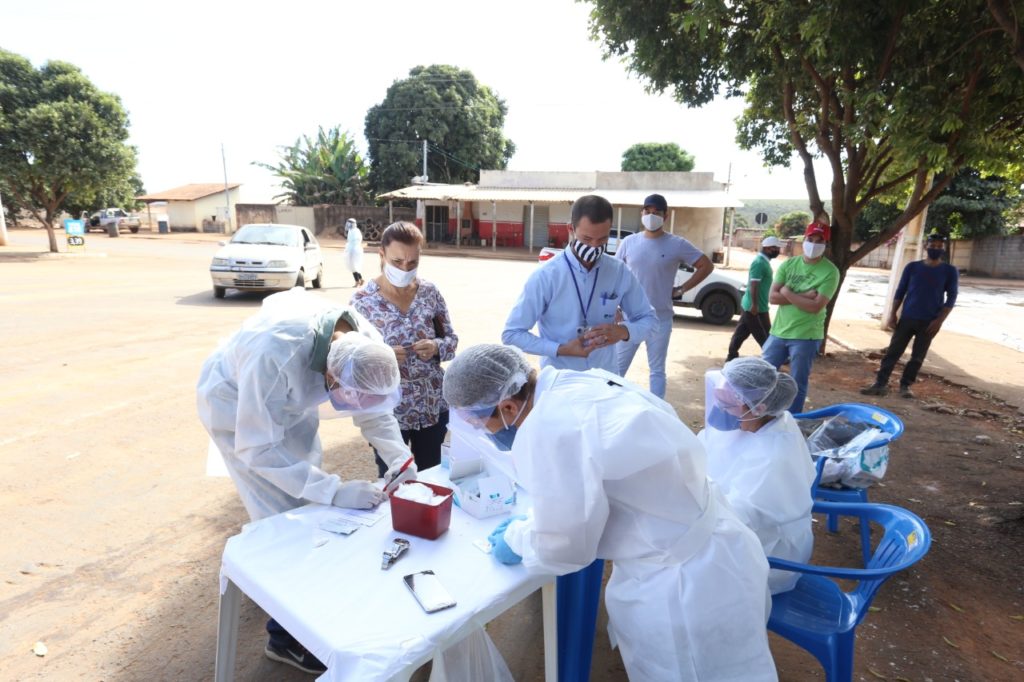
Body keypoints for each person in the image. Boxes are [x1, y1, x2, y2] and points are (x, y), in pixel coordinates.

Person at [443, 345, 777, 682]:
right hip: (721, 547)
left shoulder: (550, 428)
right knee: (742, 667)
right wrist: (535, 524)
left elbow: (565, 545)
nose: (483, 431)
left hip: (683, 586)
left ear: (508, 407)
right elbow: (597, 484)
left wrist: (518, 539)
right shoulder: (577, 382)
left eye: (480, 422)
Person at [196, 288, 416, 675]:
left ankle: (291, 596)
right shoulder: (274, 353)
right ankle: (283, 638)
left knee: (308, 497)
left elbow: (374, 408)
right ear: (329, 376)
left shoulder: (365, 347)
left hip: (289, 403)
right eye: (349, 396)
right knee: (283, 518)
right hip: (237, 408)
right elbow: (258, 449)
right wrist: (334, 490)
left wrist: (399, 456)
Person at [500, 194, 656, 680]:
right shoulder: (546, 276)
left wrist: (621, 334)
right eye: (587, 238)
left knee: (599, 478)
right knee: (557, 480)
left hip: (604, 391)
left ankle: (589, 558)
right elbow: (512, 332)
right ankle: (551, 558)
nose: (595, 246)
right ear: (570, 231)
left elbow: (648, 318)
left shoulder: (618, 272)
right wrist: (559, 346)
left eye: (603, 238)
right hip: (557, 392)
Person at [698, 357, 816, 594]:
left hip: (768, 554)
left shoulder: (774, 457)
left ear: (758, 408)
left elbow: (743, 516)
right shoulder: (759, 420)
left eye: (727, 404)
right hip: (740, 527)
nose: (720, 409)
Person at [351, 221, 458, 476]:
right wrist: (383, 357)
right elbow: (351, 362)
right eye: (397, 262)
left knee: (432, 475)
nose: (405, 269)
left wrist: (435, 346)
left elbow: (451, 341)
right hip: (387, 410)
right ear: (381, 255)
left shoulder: (429, 293)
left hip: (431, 405)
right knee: (394, 477)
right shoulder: (362, 302)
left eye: (412, 263)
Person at [615, 193, 713, 398]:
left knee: (657, 371)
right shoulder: (629, 242)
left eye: (657, 212)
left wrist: (681, 289)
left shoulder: (677, 244)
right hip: (629, 318)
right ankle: (610, 405)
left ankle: (657, 408)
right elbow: (615, 275)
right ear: (642, 213)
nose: (651, 216)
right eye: (648, 211)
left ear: (665, 216)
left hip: (660, 318)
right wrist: (614, 307)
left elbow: (706, 265)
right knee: (616, 369)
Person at [861, 233, 959, 399]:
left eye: (939, 246)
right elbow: (900, 291)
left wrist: (939, 321)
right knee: (893, 352)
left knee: (917, 357)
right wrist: (892, 314)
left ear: (943, 249)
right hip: (907, 318)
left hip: (929, 322)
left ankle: (905, 386)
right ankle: (880, 384)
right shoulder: (912, 267)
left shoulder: (949, 271)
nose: (935, 249)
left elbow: (951, 298)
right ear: (925, 246)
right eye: (932, 246)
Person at [761, 220, 840, 413]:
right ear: (804, 239)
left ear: (826, 244)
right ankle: (760, 413)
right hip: (779, 332)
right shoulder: (789, 265)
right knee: (763, 375)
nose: (813, 244)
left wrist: (787, 292)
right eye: (810, 239)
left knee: (797, 382)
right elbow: (772, 297)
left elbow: (815, 306)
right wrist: (804, 295)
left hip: (806, 336)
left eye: (819, 241)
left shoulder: (830, 272)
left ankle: (793, 419)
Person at [726, 235, 783, 362]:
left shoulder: (763, 262)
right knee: (764, 335)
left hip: (756, 305)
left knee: (741, 333)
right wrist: (755, 305)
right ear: (767, 248)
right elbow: (754, 284)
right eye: (776, 248)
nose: (778, 251)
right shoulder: (759, 263)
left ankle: (731, 356)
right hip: (755, 307)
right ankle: (773, 358)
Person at [344, 217, 365, 287]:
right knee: (353, 266)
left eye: (349, 223)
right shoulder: (351, 231)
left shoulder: (356, 231)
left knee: (354, 266)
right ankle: (360, 279)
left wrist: (351, 249)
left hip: (355, 251)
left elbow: (356, 241)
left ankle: (357, 281)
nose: (348, 224)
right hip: (351, 250)